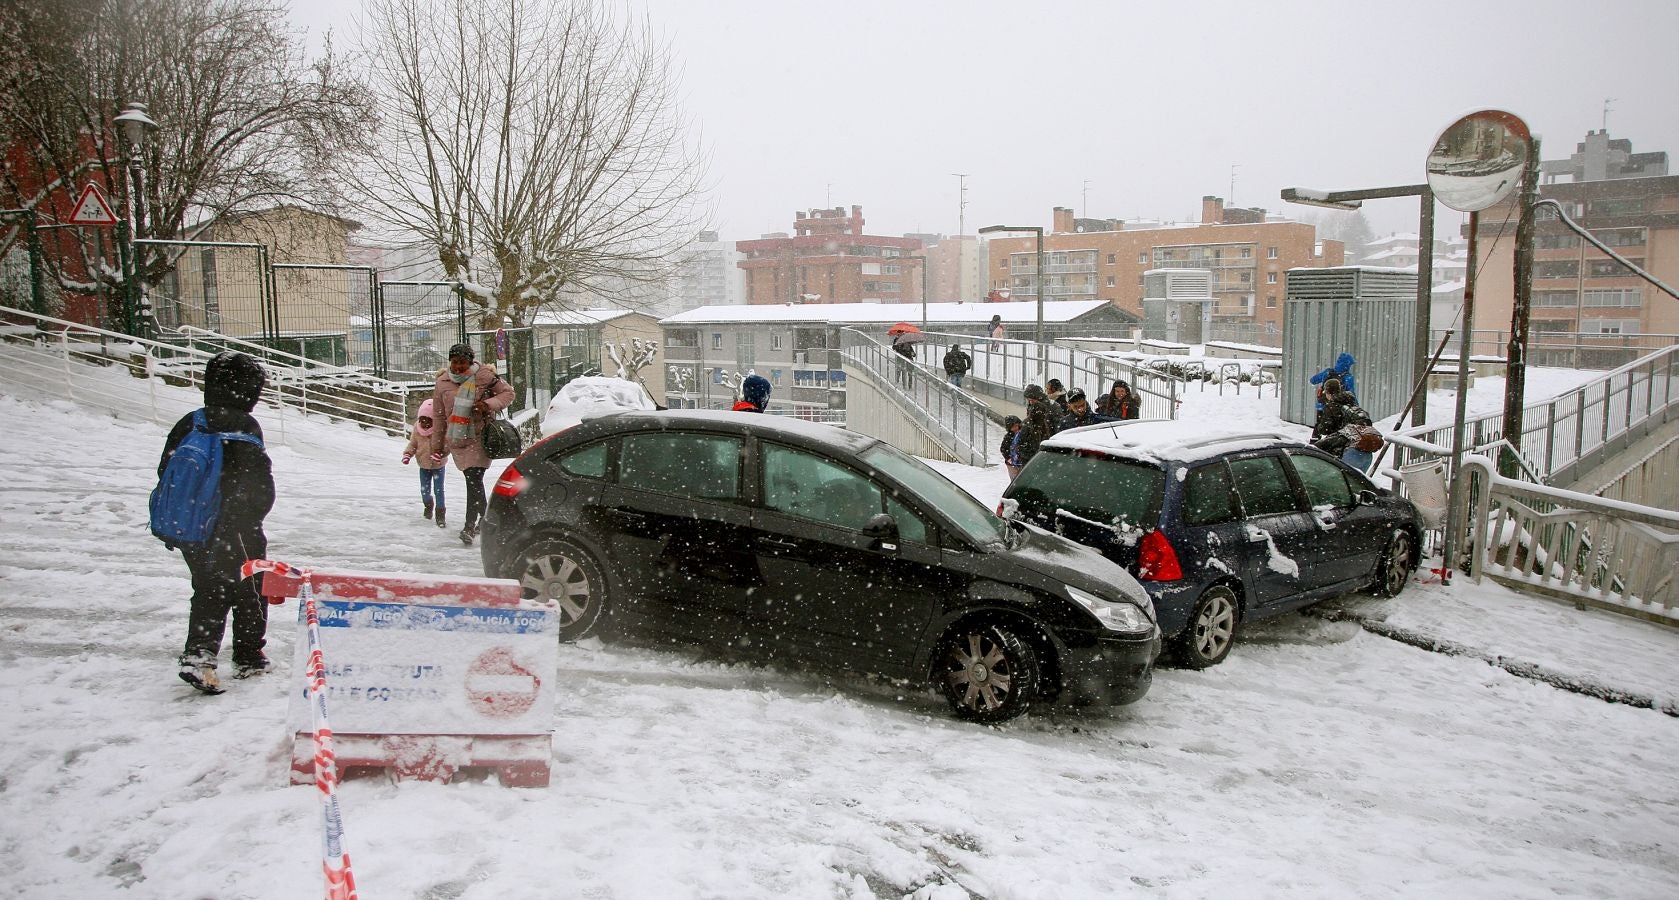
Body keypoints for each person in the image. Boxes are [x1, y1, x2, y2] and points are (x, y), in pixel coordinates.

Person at [160, 351, 275, 693]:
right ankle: (247, 656)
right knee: (250, 589)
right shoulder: (244, 425)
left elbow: (166, 470)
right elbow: (258, 482)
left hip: (193, 524)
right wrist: (251, 516)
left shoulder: (191, 421)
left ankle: (201, 653)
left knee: (208, 588)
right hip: (235, 525)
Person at [430, 343, 515, 547]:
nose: (459, 366)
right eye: (455, 362)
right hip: (457, 438)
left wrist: (487, 404)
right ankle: (486, 521)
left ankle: (471, 526)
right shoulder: (442, 383)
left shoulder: (485, 375)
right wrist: (437, 446)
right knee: (473, 481)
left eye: (463, 362)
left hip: (479, 436)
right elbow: (439, 417)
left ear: (470, 361)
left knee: (473, 478)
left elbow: (508, 393)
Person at [402, 399, 446, 528]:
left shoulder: (440, 429)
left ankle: (440, 515)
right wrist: (408, 454)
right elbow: (413, 444)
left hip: (438, 466)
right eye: (422, 420)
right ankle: (428, 505)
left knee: (439, 490)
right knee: (424, 490)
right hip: (423, 465)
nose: (424, 423)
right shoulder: (417, 429)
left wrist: (440, 454)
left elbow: (446, 445)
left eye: (428, 420)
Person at [1019, 384, 1054, 468]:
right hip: (1034, 449)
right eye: (1029, 400)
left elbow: (1053, 428)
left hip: (1044, 448)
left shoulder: (1050, 408)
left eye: (1031, 400)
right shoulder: (1033, 406)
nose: (1030, 402)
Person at [1000, 415, 1025, 480]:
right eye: (1013, 427)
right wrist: (1008, 458)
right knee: (1015, 480)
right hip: (1011, 464)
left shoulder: (1023, 434)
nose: (1016, 428)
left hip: (1022, 461)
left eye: (1017, 426)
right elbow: (1003, 448)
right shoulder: (1008, 437)